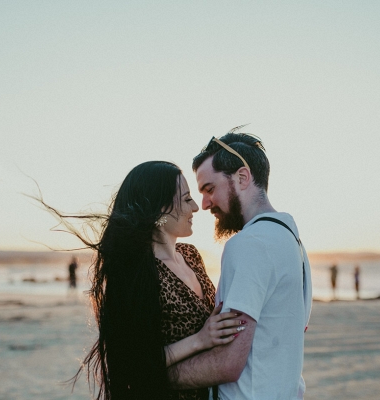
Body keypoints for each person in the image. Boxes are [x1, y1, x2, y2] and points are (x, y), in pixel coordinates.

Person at [47, 161, 246, 400]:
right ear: (160, 210)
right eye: (186, 199)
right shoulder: (135, 272)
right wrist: (200, 340)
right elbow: (133, 364)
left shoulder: (191, 256)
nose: (195, 207)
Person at [168, 131, 313, 399]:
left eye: (210, 189)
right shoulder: (293, 241)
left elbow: (228, 364)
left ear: (242, 177)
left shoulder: (250, 244)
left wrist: (154, 376)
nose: (205, 203)